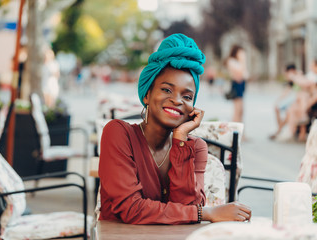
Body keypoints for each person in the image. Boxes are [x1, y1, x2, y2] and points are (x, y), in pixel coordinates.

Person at [98, 34, 252, 224]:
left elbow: (187, 209)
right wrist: (206, 213)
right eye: (167, 90)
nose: (177, 100)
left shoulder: (194, 147)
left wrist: (180, 141)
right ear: (147, 95)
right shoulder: (118, 134)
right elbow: (131, 209)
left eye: (187, 97)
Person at [225, 45, 249, 123]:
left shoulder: (238, 61)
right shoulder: (231, 61)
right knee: (237, 110)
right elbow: (239, 74)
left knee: (242, 110)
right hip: (237, 84)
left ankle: (241, 132)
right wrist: (242, 60)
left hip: (242, 84)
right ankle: (235, 130)